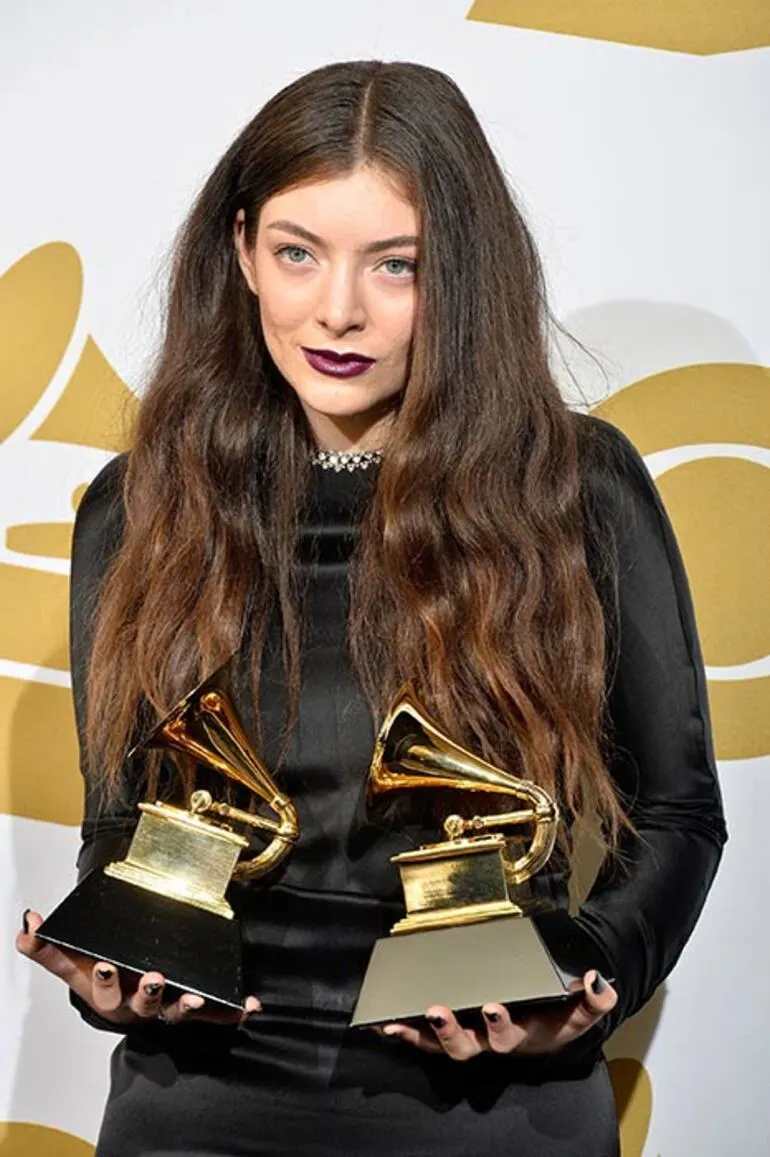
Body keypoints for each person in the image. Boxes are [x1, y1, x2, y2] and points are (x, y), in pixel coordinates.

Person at [17, 60, 726, 1157]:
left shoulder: (573, 486)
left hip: (496, 1111)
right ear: (241, 248)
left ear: (464, 276)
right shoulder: (138, 504)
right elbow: (124, 824)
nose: (335, 310)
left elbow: (675, 812)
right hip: (195, 1104)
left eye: (396, 265)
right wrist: (114, 978)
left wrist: (588, 970)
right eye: (297, 252)